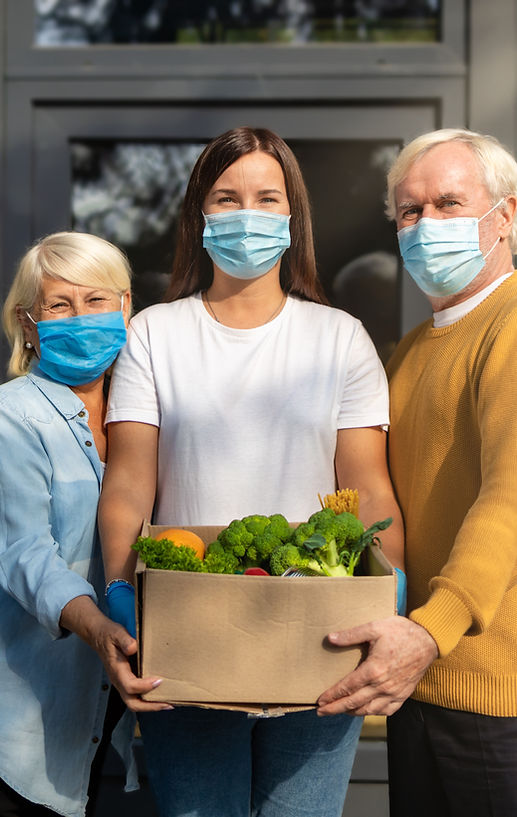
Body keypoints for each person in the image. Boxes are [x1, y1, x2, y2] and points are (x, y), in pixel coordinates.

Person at [98, 126, 405, 817]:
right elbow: (127, 484)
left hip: (318, 636)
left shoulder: (339, 338)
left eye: (266, 197)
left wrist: (389, 596)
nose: (246, 213)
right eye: (226, 197)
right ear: (198, 216)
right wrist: (123, 597)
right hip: (185, 632)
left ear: (291, 218)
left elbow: (369, 488)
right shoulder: (155, 333)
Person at [316, 128, 517, 816]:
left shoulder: (511, 327)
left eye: (448, 204)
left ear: (506, 217)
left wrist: (432, 628)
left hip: (496, 701)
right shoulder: (406, 354)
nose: (426, 225)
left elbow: (507, 501)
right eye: (409, 211)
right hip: (417, 681)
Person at [0, 231, 168, 817]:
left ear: (127, 307)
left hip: (112, 712)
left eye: (97, 301)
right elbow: (23, 551)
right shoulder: (12, 417)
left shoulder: (145, 413)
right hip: (26, 719)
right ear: (28, 322)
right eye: (59, 306)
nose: (81, 318)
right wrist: (98, 628)